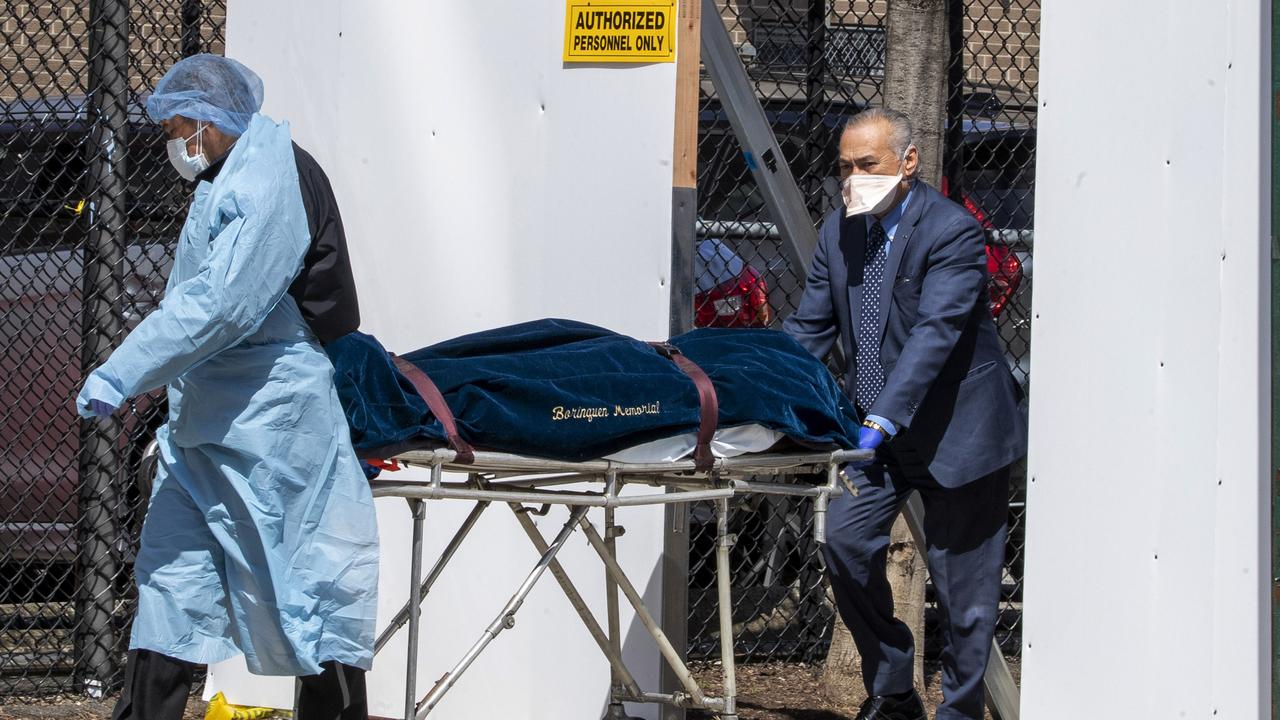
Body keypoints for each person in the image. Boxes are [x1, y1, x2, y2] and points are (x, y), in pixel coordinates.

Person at [75, 54, 378, 720]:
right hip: (207, 424)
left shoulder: (273, 174)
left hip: (272, 424)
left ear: (207, 121)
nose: (170, 143)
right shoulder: (227, 175)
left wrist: (123, 371)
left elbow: (223, 304)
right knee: (170, 588)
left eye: (175, 125)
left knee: (306, 589)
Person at [784, 108, 1026, 720]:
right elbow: (809, 327)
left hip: (957, 429)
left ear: (908, 162)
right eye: (844, 167)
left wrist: (885, 415)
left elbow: (935, 332)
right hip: (875, 435)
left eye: (868, 164)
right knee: (843, 542)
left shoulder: (951, 231)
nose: (854, 178)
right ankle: (893, 690)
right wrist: (768, 393)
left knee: (965, 595)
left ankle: (960, 711)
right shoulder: (840, 230)